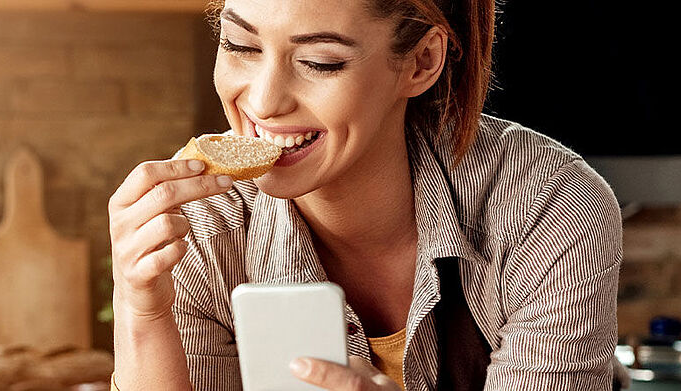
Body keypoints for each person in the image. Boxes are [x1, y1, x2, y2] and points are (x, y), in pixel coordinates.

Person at [107, 0, 623, 389]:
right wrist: (142, 310)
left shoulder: (548, 204)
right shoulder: (199, 220)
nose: (263, 101)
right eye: (240, 46)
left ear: (421, 62)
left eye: (320, 61)